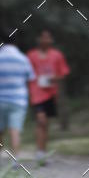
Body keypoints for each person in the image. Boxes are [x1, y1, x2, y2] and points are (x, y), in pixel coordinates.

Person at [0, 39, 35, 168]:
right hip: (18, 99)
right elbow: (30, 78)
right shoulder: (23, 58)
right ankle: (15, 160)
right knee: (15, 130)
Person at [27, 29, 70, 165]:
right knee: (41, 121)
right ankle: (39, 152)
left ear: (51, 40)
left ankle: (42, 152)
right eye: (43, 37)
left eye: (48, 38)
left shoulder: (57, 55)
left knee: (46, 124)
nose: (46, 40)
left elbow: (63, 73)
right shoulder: (31, 55)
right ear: (39, 39)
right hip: (36, 93)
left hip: (51, 94)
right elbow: (27, 74)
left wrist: (54, 78)